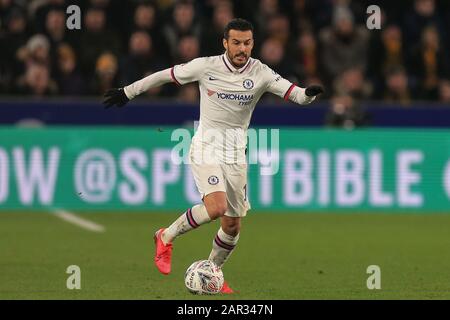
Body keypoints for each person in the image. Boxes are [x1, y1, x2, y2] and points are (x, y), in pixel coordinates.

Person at [102, 18, 323, 294]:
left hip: (235, 153)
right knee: (216, 207)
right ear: (225, 43)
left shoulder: (261, 72)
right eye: (237, 43)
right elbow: (164, 75)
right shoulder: (206, 66)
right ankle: (165, 236)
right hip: (206, 145)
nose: (242, 48)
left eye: (247, 43)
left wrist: (309, 95)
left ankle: (211, 273)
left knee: (231, 226)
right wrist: (127, 92)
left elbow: (295, 94)